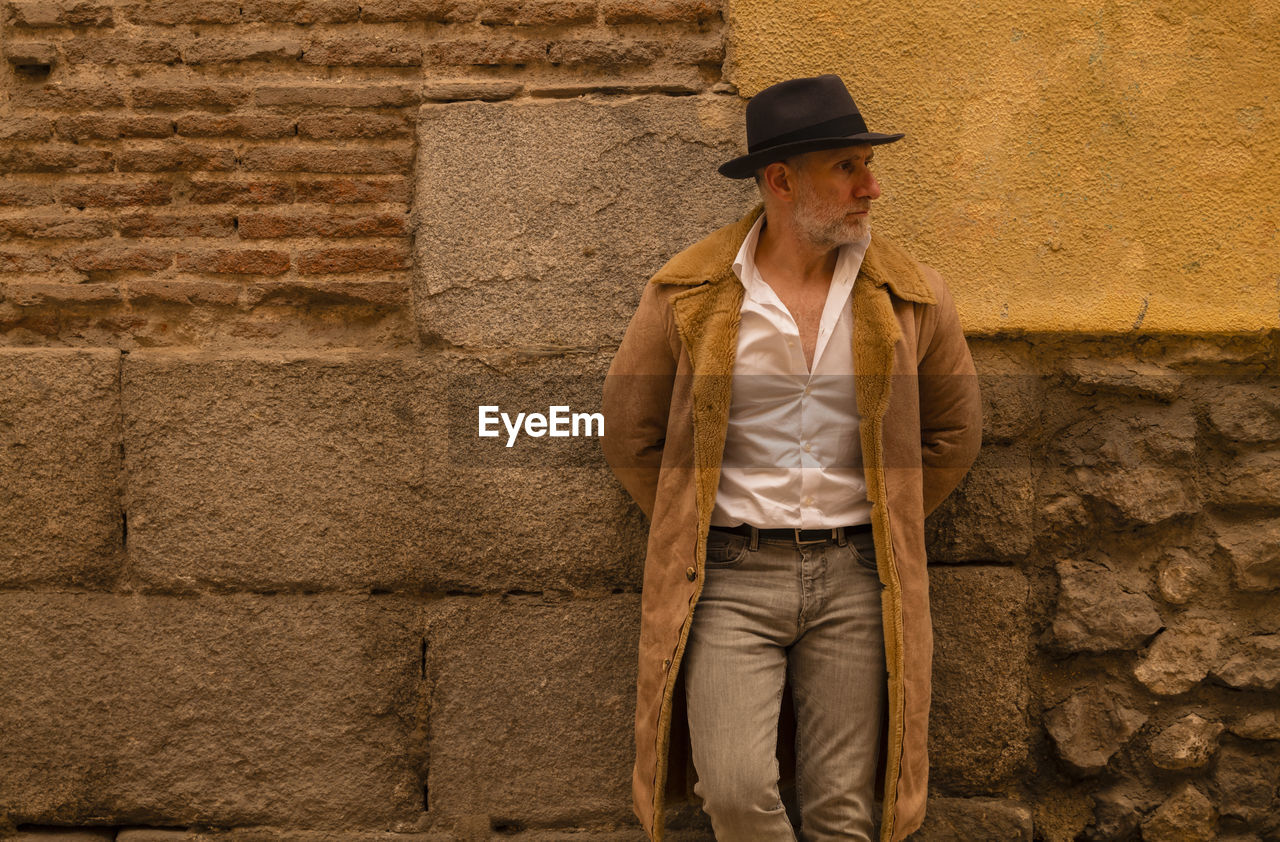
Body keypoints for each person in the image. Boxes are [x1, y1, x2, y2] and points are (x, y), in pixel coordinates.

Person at [602, 74, 982, 842]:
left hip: (858, 577)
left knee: (844, 810)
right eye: (847, 167)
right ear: (780, 180)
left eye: (868, 167)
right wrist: (692, 520)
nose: (871, 188)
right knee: (736, 792)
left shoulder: (910, 296)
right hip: (728, 578)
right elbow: (630, 433)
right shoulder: (688, 293)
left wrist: (889, 517)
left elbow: (952, 436)